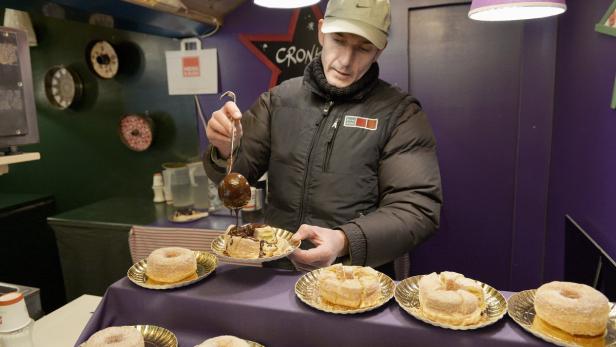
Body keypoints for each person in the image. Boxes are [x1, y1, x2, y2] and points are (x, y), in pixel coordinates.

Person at [204, 0, 442, 277]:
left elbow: (417, 208)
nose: (345, 60)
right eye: (338, 40)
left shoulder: (401, 113)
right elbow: (239, 176)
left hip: (355, 279)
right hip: (278, 272)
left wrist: (344, 241)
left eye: (363, 48)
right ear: (321, 30)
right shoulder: (278, 100)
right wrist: (224, 150)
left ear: (380, 48)